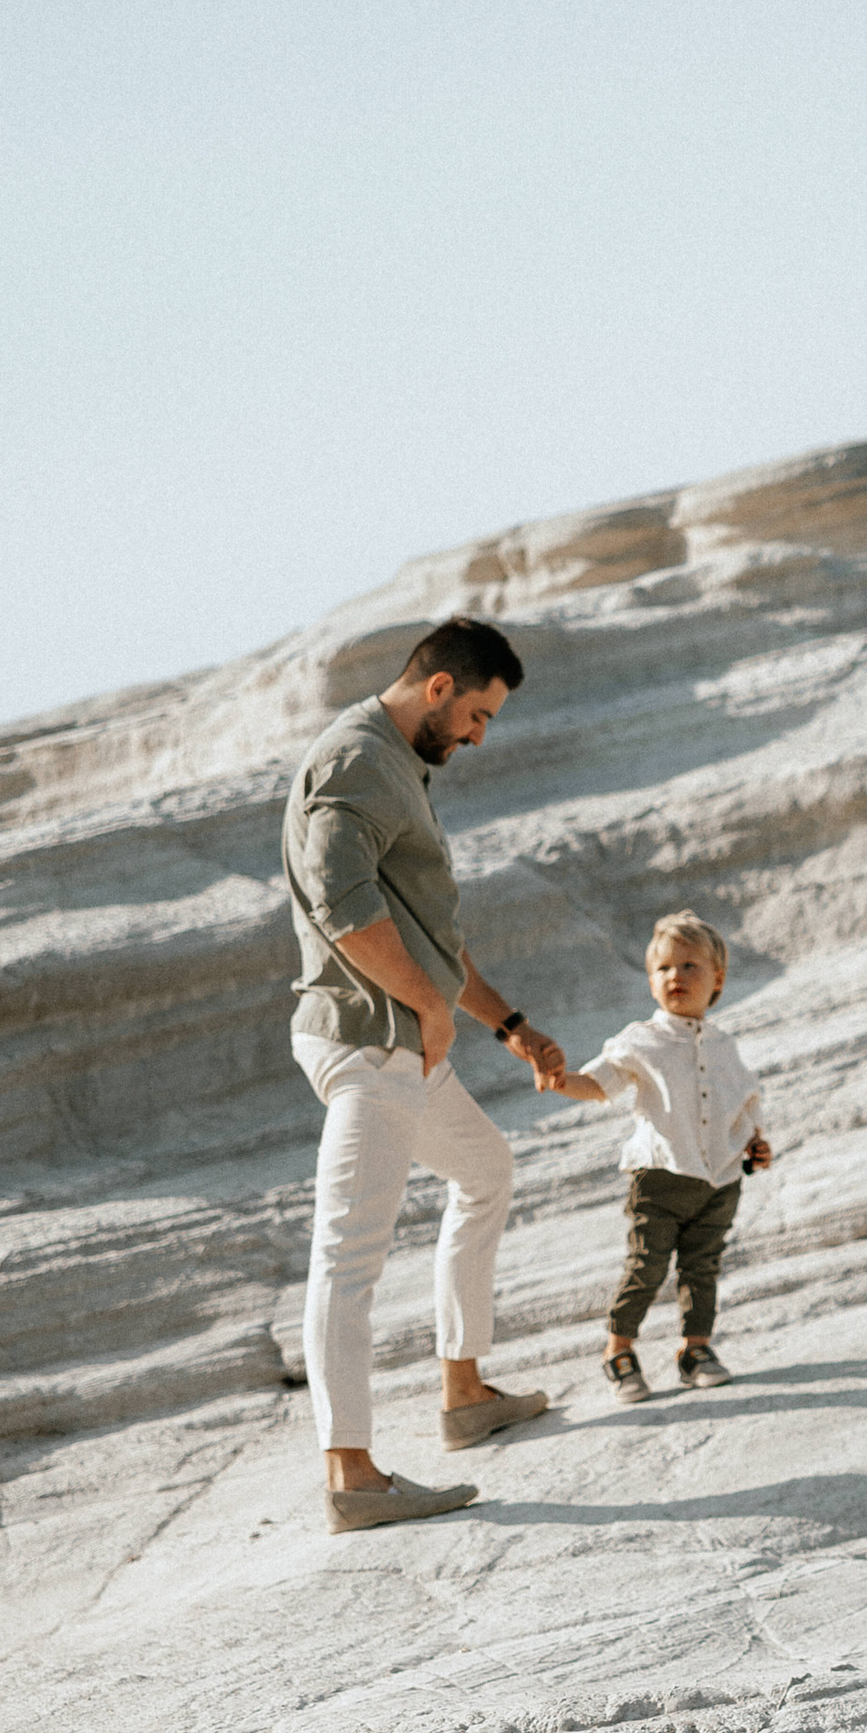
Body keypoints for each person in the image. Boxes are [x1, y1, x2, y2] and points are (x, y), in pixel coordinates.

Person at [281, 617, 568, 1534]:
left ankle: (463, 1391)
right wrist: (431, 1009)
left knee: (484, 1172)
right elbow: (342, 904)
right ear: (439, 687)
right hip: (372, 1041)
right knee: (348, 1257)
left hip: (410, 1039)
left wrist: (508, 1023)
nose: (482, 734)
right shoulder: (359, 758)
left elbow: (425, 933)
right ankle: (352, 1475)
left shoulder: (398, 763)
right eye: (479, 713)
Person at [535, 908, 774, 1399]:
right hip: (660, 1177)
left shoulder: (726, 1045)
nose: (676, 977)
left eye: (690, 967)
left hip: (720, 1182)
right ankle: (618, 1351)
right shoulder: (641, 1039)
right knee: (646, 1266)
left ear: (718, 980)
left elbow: (742, 1102)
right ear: (650, 982)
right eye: (664, 968)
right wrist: (562, 1080)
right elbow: (599, 1082)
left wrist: (756, 1142)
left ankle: (695, 1349)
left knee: (702, 1268)